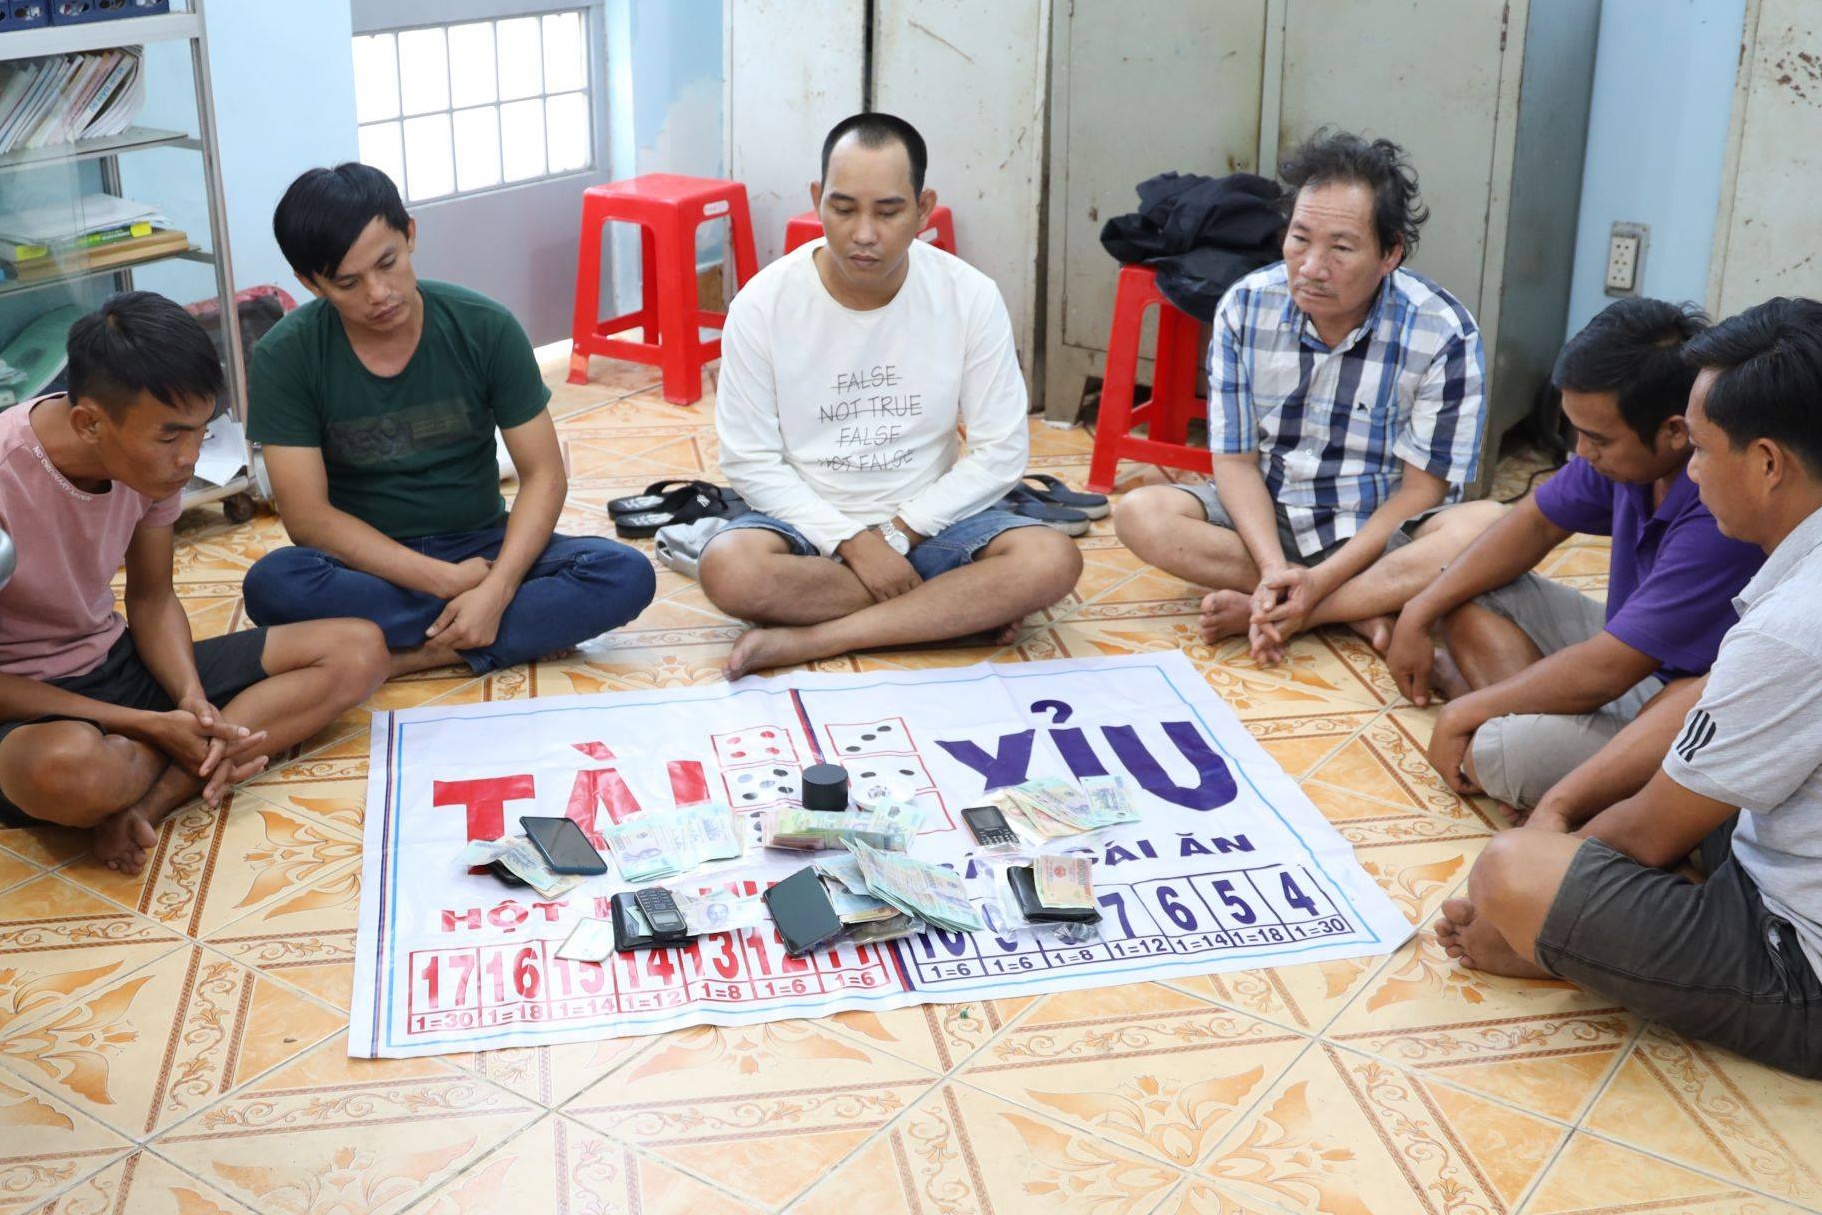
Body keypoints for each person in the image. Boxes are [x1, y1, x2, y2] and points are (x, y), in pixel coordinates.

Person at [1435, 298, 1822, 1079]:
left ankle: (1572, 950)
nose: (1695, 473)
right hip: (1772, 835)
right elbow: (1706, 697)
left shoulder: (1793, 624)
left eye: (1705, 451)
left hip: (1800, 969)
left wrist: (1527, 913)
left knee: (1510, 870)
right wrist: (1565, 808)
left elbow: (1643, 831)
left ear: (1770, 462)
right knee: (1683, 723)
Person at [0, 293, 388, 874]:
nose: (188, 458)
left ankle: (152, 797)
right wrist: (149, 724)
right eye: (170, 437)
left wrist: (190, 701)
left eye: (200, 433)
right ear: (89, 423)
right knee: (71, 769)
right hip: (26, 709)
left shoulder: (147, 461)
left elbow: (152, 598)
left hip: (115, 665)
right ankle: (173, 755)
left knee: (358, 650)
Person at [700, 113, 1081, 678]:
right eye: (843, 207)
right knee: (730, 570)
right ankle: (947, 612)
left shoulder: (969, 295)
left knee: (1052, 560)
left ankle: (816, 640)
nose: (863, 233)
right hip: (808, 528)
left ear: (924, 209)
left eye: (888, 210)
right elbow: (749, 460)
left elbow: (1001, 450)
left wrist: (900, 533)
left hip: (935, 526)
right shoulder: (763, 304)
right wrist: (852, 541)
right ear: (816, 199)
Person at [240, 163, 655, 676]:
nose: (378, 293)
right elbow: (309, 519)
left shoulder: (484, 327)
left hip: (482, 546)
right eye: (348, 283)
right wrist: (447, 583)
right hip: (368, 563)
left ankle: (407, 654)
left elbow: (545, 474)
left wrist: (497, 588)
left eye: (387, 263)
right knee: (273, 584)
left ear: (409, 234)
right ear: (310, 283)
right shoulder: (288, 355)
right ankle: (480, 637)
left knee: (623, 573)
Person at [1113, 129, 1500, 665]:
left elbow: (1421, 492)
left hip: (1383, 536)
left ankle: (1305, 608)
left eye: (1341, 248)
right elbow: (1235, 461)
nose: (1312, 267)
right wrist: (1275, 568)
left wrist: (1319, 585)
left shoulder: (1443, 331)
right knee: (1140, 512)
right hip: (1271, 523)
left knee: (1484, 527)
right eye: (1299, 239)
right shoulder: (1245, 307)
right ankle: (1351, 606)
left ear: (1390, 254)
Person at [1388, 299, 1763, 811]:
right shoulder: (1628, 458)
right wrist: (1419, 610)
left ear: (1676, 431)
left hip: (1677, 708)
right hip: (1630, 653)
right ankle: (1537, 721)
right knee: (1470, 588)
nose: (1580, 452)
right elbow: (1533, 522)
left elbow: (1610, 669)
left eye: (1597, 438)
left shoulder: (1718, 508)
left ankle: (1535, 734)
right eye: (1576, 431)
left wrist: (1465, 711)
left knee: (1498, 755)